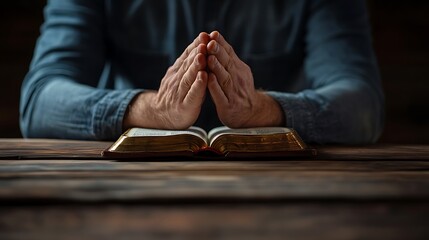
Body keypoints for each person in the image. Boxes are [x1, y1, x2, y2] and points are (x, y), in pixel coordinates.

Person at [20, 0, 384, 144]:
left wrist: (260, 111)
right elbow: (40, 100)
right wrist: (153, 111)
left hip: (288, 192)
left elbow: (362, 104)